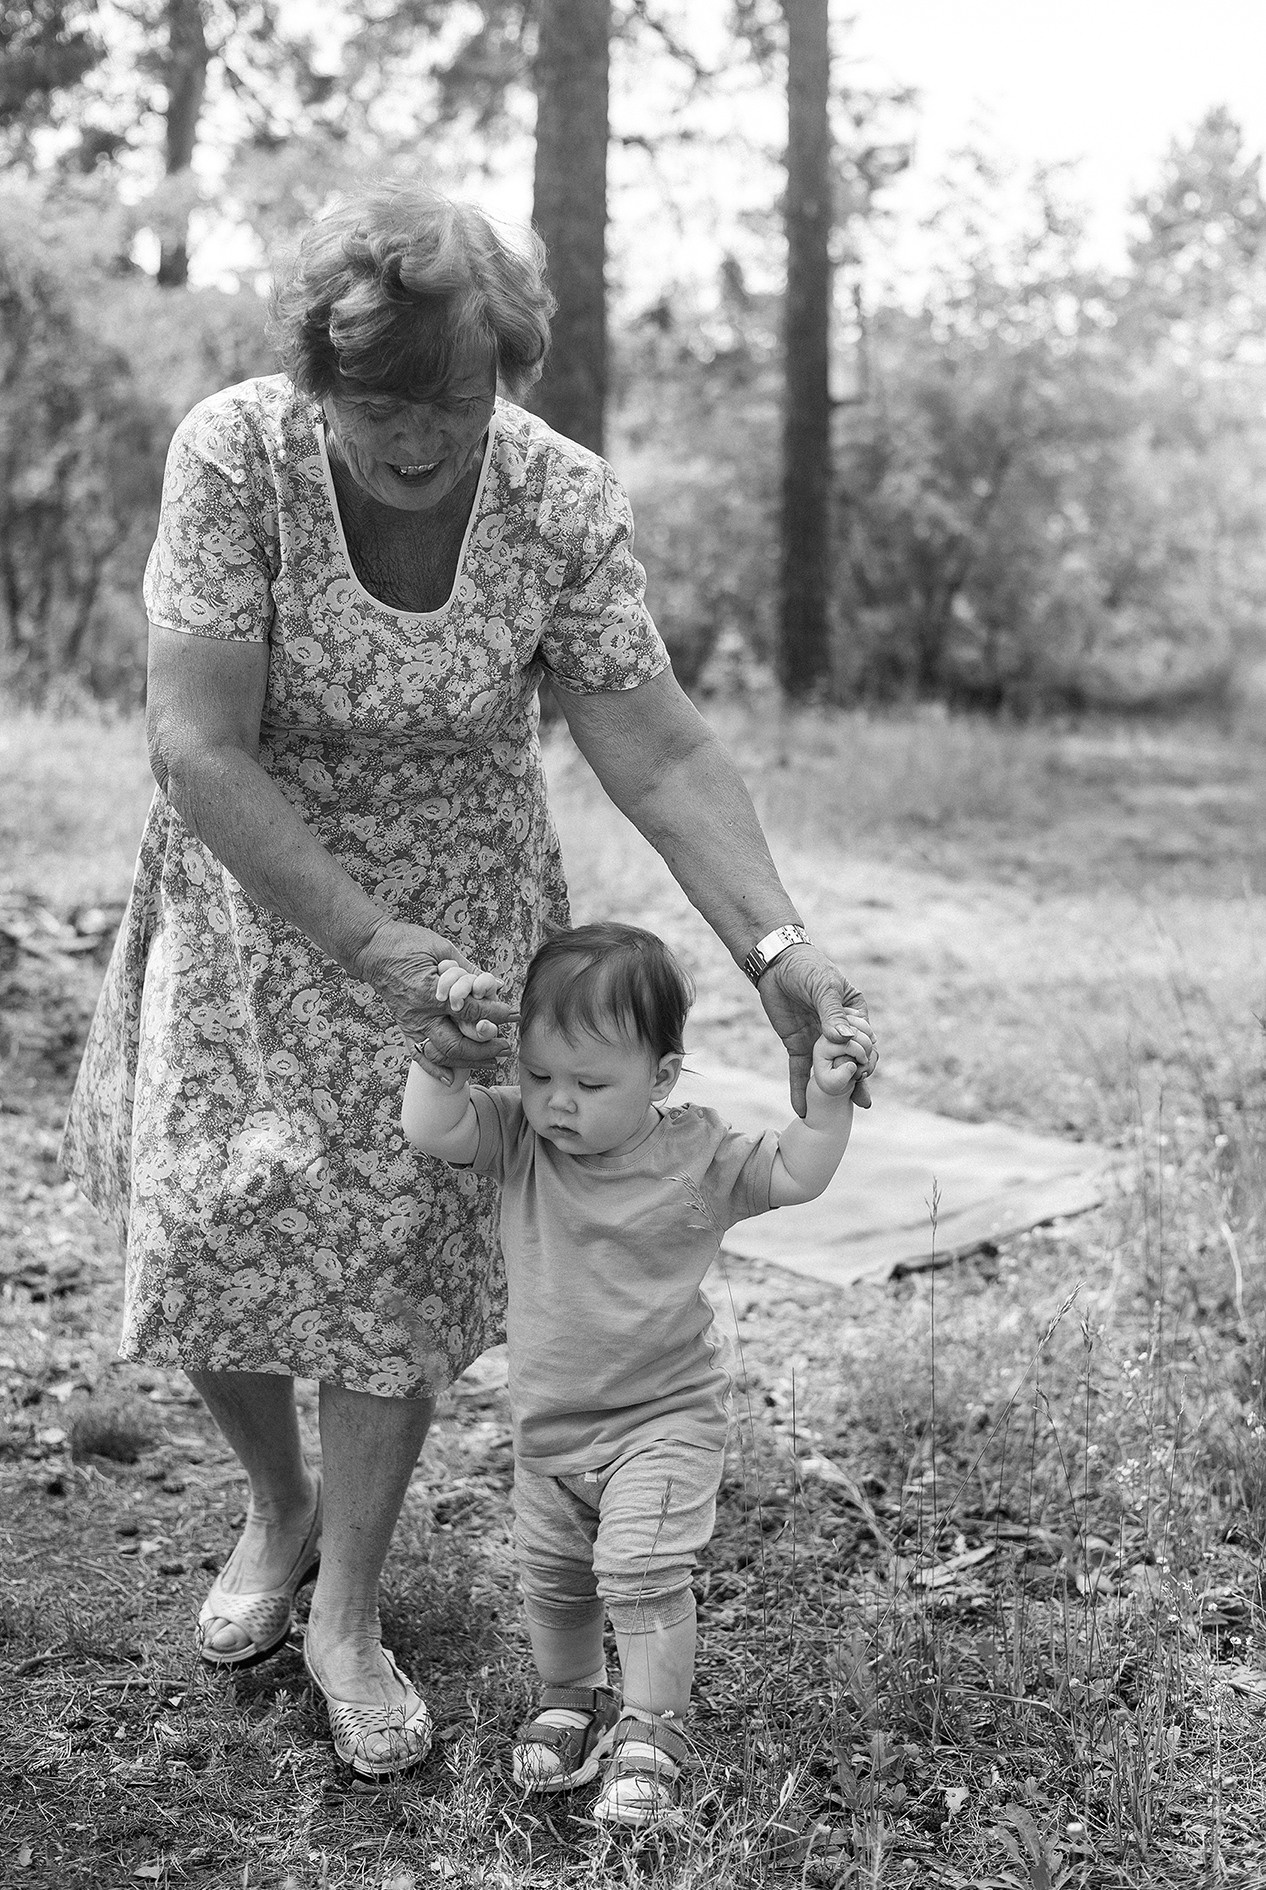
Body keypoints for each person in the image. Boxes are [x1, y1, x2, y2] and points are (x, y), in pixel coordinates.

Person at [59, 179, 877, 1781]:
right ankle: (277, 1506)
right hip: (261, 885)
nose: (418, 433)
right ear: (316, 378)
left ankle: (346, 1605)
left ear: (503, 371)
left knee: (393, 1251)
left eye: (451, 395)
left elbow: (650, 738)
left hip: (465, 909)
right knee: (216, 1216)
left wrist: (774, 948)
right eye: (378, 399)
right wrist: (364, 940)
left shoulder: (560, 502)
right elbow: (195, 742)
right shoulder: (236, 454)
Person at [400, 923, 859, 1826]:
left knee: (642, 1570)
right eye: (538, 1076)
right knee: (556, 1576)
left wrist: (829, 1102)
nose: (556, 1103)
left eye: (589, 1083)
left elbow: (797, 1172)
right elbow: (430, 1125)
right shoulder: (522, 1142)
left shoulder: (697, 1155)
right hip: (549, 1424)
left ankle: (655, 1730)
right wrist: (442, 1059)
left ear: (662, 1076)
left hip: (663, 1415)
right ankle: (572, 1696)